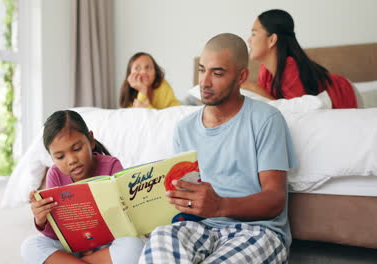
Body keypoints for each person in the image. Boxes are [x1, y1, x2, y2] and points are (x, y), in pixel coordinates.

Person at [139, 33, 296, 263]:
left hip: (258, 231)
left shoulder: (266, 119)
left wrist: (220, 205)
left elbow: (275, 199)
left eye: (218, 73)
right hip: (200, 229)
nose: (204, 81)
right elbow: (185, 194)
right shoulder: (184, 128)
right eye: (202, 70)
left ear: (241, 76)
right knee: (160, 237)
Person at [21, 110, 144, 264]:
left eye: (77, 149)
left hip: (108, 244)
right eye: (60, 157)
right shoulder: (54, 174)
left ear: (90, 140)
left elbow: (127, 218)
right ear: (51, 157)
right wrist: (41, 220)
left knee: (134, 246)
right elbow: (55, 234)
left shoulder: (112, 165)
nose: (72, 160)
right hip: (72, 247)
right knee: (30, 246)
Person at [242, 9, 357, 109]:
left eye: (254, 34)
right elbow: (271, 103)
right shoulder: (265, 70)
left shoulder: (290, 68)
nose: (249, 40)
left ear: (272, 40)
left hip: (344, 92)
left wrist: (252, 87)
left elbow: (299, 113)